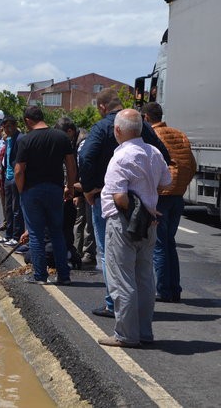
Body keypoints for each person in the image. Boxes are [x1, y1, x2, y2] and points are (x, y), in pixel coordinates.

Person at [79, 88, 170, 317]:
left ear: (102, 107)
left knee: (110, 255)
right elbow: (164, 157)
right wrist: (152, 187)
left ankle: (114, 304)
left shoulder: (101, 128)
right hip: (144, 205)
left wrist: (89, 189)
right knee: (141, 264)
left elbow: (86, 157)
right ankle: (137, 309)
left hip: (110, 198)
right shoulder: (143, 127)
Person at [97, 109, 171, 348]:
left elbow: (120, 198)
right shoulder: (154, 152)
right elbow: (165, 182)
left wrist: (135, 211)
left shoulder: (120, 158)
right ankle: (143, 331)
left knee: (123, 279)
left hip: (124, 224)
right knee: (145, 278)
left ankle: (126, 335)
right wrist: (147, 206)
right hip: (149, 222)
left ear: (117, 130)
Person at [15, 106, 77, 285]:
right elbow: (71, 166)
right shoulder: (62, 137)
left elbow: (19, 170)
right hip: (55, 189)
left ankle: (40, 276)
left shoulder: (26, 140)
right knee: (57, 232)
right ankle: (63, 276)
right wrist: (70, 187)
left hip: (32, 190)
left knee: (36, 234)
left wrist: (21, 190)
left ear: (27, 121)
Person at [142, 102, 197, 303]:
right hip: (177, 196)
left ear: (146, 118)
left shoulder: (152, 136)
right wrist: (180, 186)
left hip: (161, 195)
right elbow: (191, 165)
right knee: (169, 243)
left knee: (158, 244)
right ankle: (175, 289)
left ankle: (163, 290)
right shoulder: (180, 134)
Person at [54, 117, 83, 269]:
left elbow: (78, 168)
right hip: (73, 189)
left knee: (76, 225)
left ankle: (75, 255)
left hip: (78, 190)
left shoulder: (81, 142)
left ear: (70, 131)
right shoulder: (72, 141)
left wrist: (75, 190)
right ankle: (73, 254)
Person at [0, 116, 24, 246]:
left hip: (16, 177)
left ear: (15, 125)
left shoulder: (20, 139)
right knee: (8, 208)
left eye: (9, 126)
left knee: (16, 208)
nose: (7, 129)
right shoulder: (8, 140)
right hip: (7, 177)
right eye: (4, 127)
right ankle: (8, 235)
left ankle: (16, 236)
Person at [73, 128, 97, 266]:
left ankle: (87, 253)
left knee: (88, 222)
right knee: (81, 220)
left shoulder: (83, 144)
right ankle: (78, 252)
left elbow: (83, 167)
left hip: (87, 187)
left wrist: (81, 190)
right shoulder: (78, 143)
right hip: (82, 187)